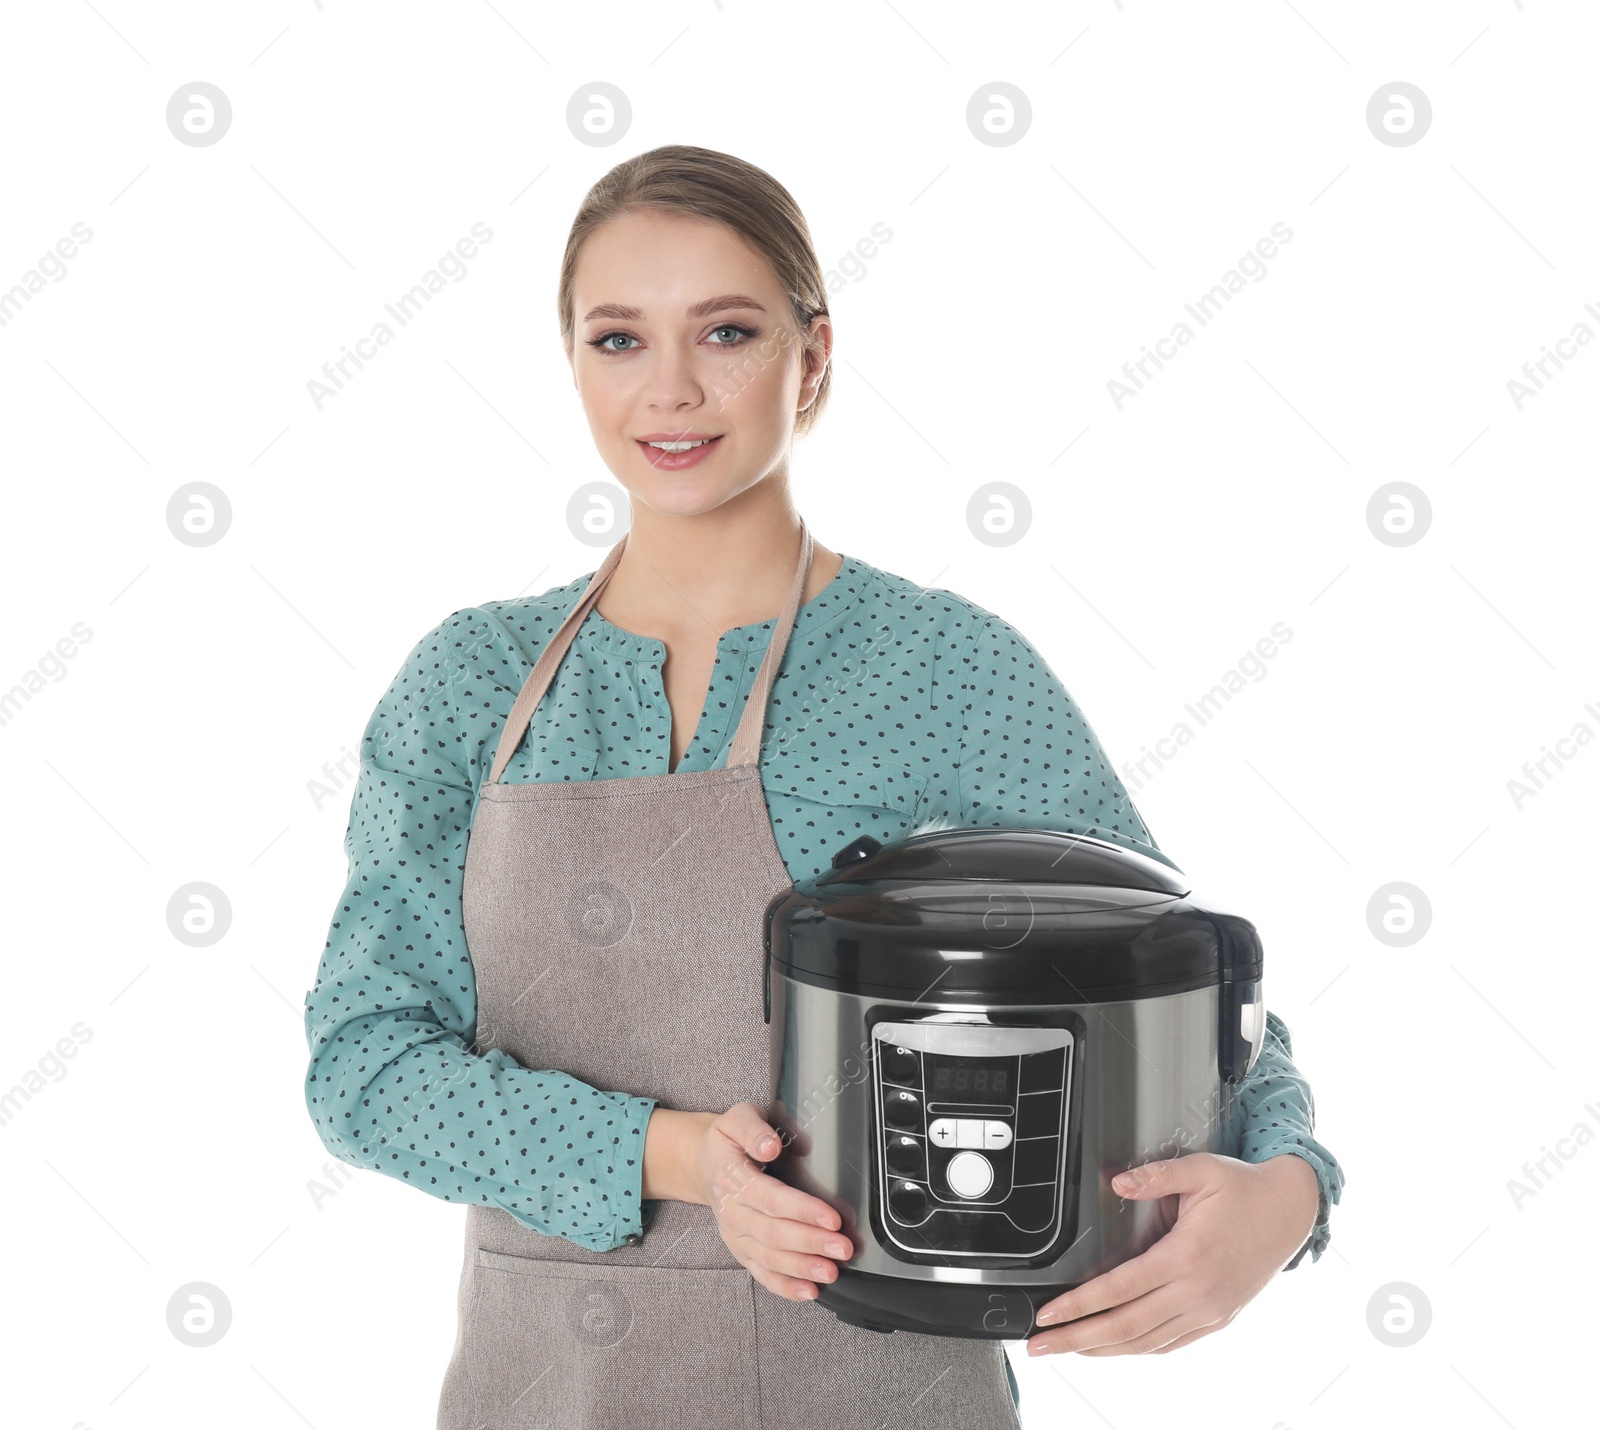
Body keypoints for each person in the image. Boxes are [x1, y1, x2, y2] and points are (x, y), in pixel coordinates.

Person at [301, 144, 1345, 1429]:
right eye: (618, 338)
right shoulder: (470, 684)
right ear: (569, 360)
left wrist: (1287, 1186)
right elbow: (362, 1065)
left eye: (725, 330)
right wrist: (679, 1153)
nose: (671, 388)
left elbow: (1173, 996)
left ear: (816, 356)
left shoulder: (943, 667)